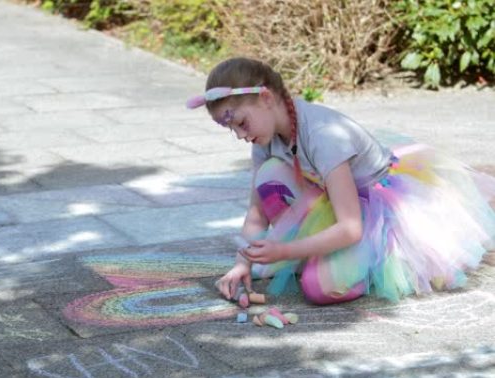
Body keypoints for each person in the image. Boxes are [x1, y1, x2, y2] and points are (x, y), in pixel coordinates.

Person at [186, 57, 495, 305]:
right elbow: (256, 214)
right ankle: (318, 251)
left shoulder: (322, 135)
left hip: (378, 212)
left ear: (266, 97)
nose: (240, 135)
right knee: (268, 176)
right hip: (330, 199)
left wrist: (284, 251)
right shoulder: (263, 140)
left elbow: (351, 227)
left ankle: (366, 263)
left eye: (241, 123)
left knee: (320, 289)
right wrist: (243, 263)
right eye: (232, 129)